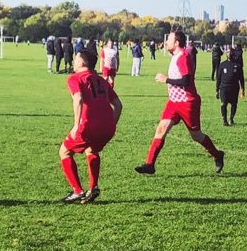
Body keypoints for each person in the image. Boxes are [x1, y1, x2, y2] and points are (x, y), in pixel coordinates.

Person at [134, 29, 226, 175]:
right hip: (174, 101)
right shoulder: (176, 55)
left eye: (169, 40)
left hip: (187, 102)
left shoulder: (183, 56)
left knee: (196, 136)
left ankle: (217, 155)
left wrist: (166, 80)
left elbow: (186, 80)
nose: (165, 42)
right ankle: (150, 164)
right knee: (161, 129)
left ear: (176, 43)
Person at [58, 46, 123, 204]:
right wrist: (110, 124)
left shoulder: (75, 78)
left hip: (88, 126)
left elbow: (78, 98)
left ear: (81, 62)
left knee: (64, 152)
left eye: (76, 58)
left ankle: (77, 191)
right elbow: (118, 105)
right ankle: (93, 187)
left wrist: (76, 125)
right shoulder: (101, 80)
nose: (74, 61)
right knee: (91, 150)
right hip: (108, 128)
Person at [216, 48, 246, 126]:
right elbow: (218, 78)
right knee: (223, 104)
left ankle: (231, 119)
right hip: (224, 87)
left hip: (234, 87)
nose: (229, 53)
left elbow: (241, 78)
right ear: (226, 54)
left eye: (230, 52)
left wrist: (242, 89)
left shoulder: (238, 65)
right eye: (228, 52)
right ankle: (224, 120)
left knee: (234, 104)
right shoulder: (222, 64)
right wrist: (217, 90)